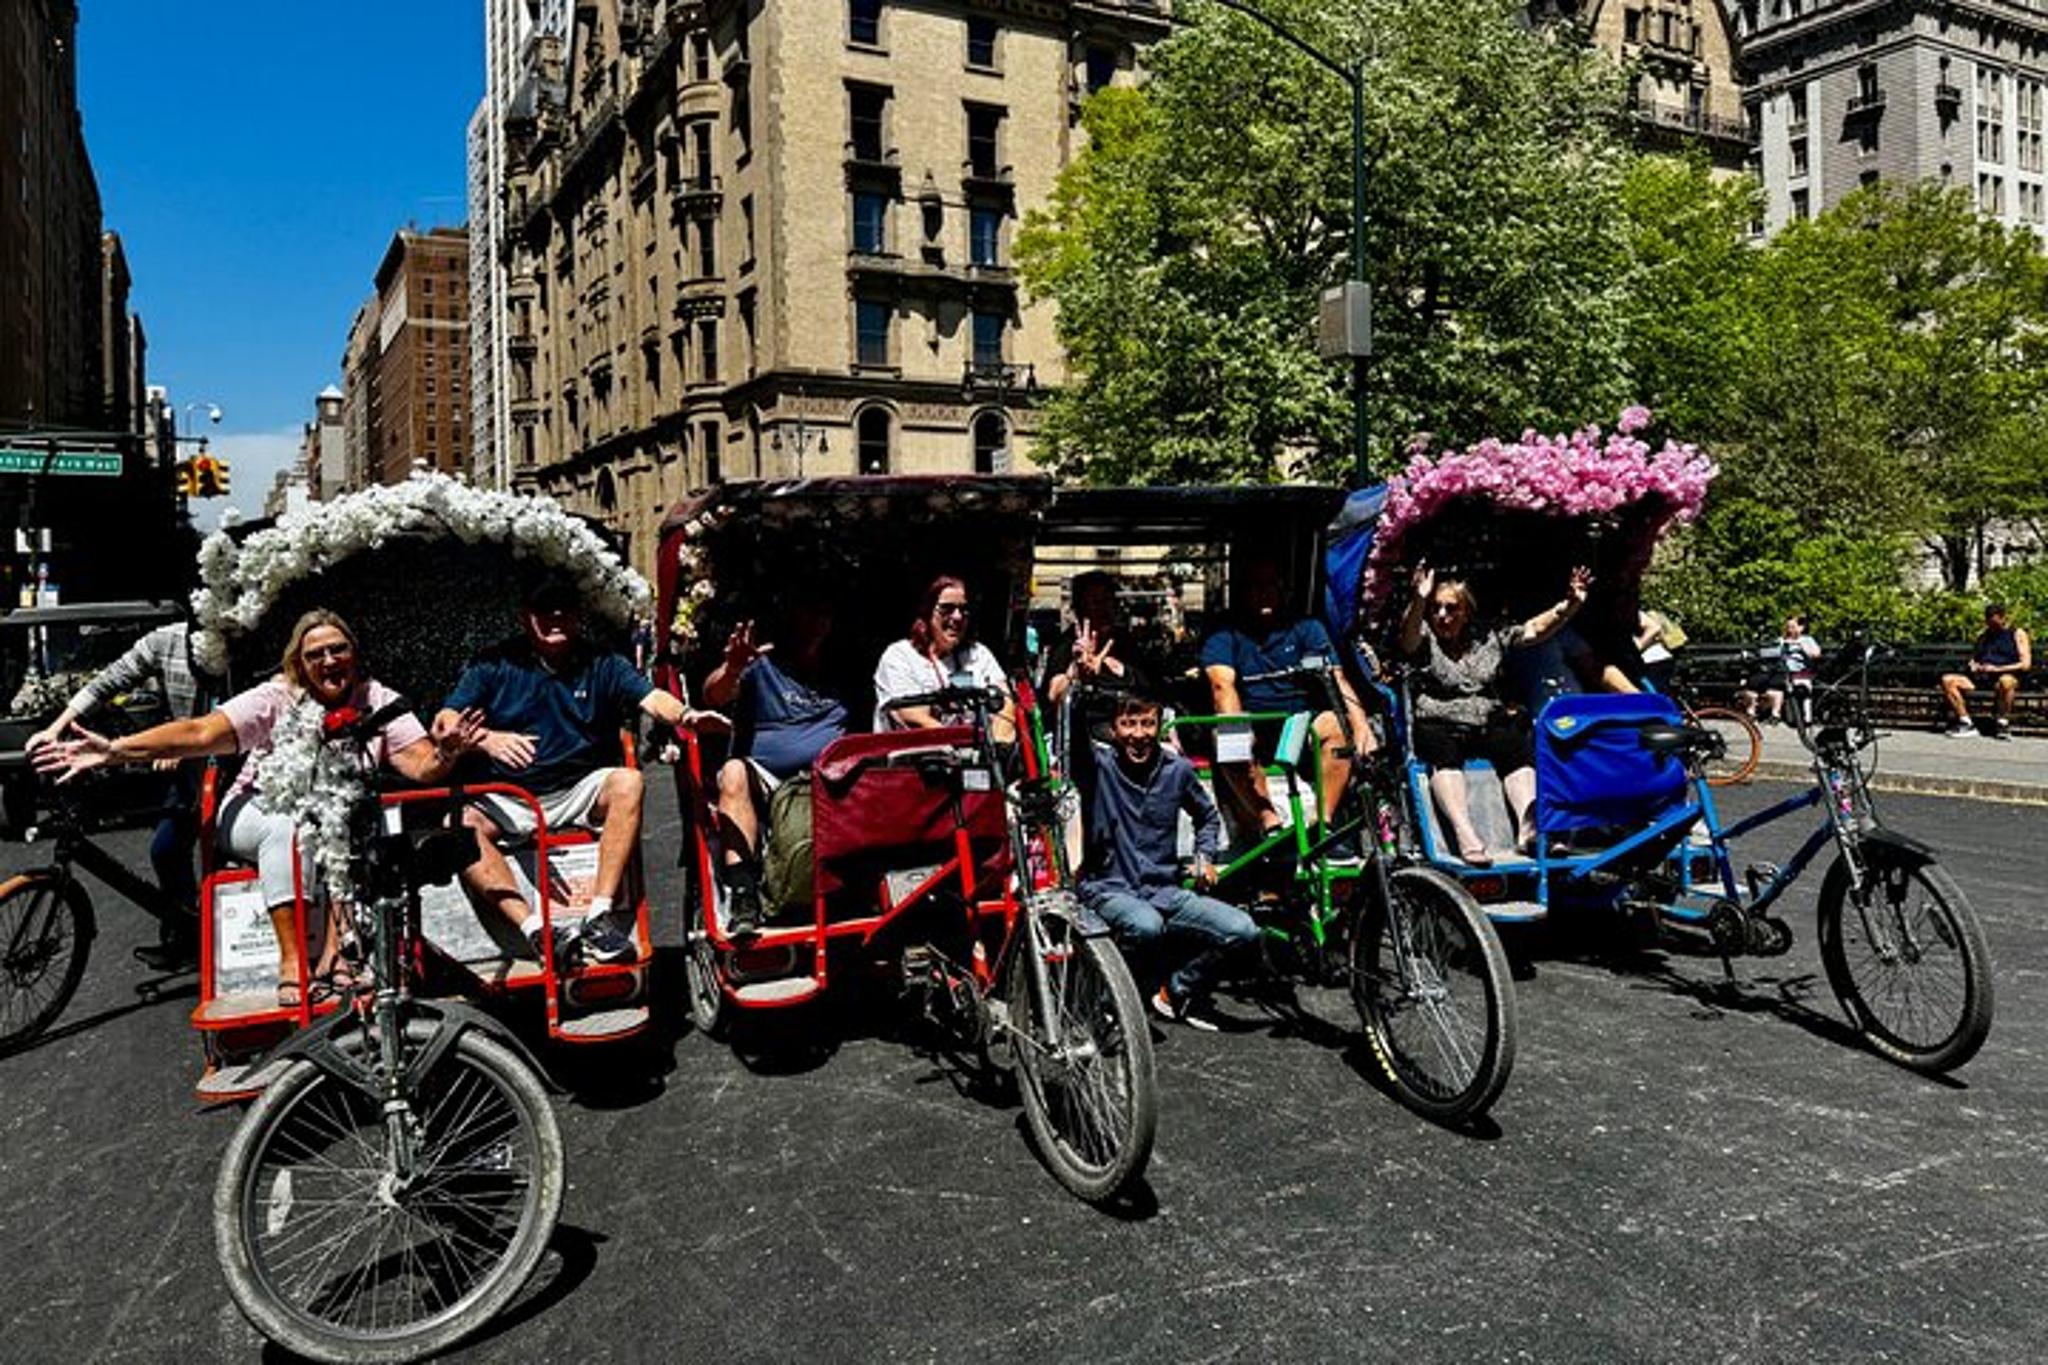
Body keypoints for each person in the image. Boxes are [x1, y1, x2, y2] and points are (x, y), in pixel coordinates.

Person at [37, 610, 479, 1006]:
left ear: (353, 655)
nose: (329, 661)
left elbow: (422, 766)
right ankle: (294, 963)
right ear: (299, 664)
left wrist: (448, 753)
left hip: (338, 818)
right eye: (316, 654)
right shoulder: (275, 698)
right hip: (259, 809)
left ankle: (342, 954)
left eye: (338, 650)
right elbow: (198, 733)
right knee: (295, 827)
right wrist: (115, 751)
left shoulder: (377, 700)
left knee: (353, 820)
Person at [436, 579, 724, 965]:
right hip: (510, 796)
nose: (555, 617)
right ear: (526, 617)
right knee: (460, 823)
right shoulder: (495, 663)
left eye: (564, 608)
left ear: (577, 615)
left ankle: (599, 916)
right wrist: (484, 738)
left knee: (628, 781)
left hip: (576, 788)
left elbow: (652, 699)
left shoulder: (602, 662)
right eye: (544, 609)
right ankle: (536, 930)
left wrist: (688, 715)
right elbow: (445, 721)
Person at [26, 619, 222, 970]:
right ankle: (186, 936)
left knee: (222, 855)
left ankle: (227, 939)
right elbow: (109, 681)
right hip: (190, 767)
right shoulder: (166, 641)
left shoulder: (243, 639)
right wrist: (54, 729)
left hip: (234, 761)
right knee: (166, 851)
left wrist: (180, 746)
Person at [1076, 690, 1256, 1031]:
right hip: (1110, 886)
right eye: (1129, 724)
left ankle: (1176, 992)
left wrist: (1205, 857)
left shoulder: (1178, 770)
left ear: (1160, 726)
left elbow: (1207, 817)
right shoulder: (1098, 768)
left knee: (1242, 930)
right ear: (1114, 730)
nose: (1139, 733)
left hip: (1164, 889)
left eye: (1148, 723)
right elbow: (1073, 740)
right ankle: (1104, 1004)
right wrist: (1080, 690)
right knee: (1145, 925)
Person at [1399, 561, 1592, 865]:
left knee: (1516, 743)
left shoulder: (1488, 635)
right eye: (1436, 608)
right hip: (1439, 720)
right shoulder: (1424, 635)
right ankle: (1465, 833)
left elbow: (1533, 631)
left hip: (1484, 719)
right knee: (1442, 750)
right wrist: (1419, 599)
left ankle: (1530, 829)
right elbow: (1408, 639)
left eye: (1451, 609)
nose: (1442, 616)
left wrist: (1568, 605)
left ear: (1465, 611)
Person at [1199, 553, 1374, 842]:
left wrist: (1362, 727)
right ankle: (1267, 819)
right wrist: (1237, 727)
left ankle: (1323, 823)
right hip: (1253, 721)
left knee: (1334, 725)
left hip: (1297, 724)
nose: (1263, 592)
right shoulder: (1224, 631)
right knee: (1228, 737)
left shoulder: (1306, 627)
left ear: (1282, 589)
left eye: (1269, 584)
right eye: (1255, 585)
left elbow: (1336, 678)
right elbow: (1222, 686)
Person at [701, 600, 850, 935]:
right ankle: (743, 894)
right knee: (734, 772)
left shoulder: (842, 664)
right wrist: (732, 668)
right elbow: (713, 695)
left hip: (830, 776)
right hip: (768, 776)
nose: (816, 622)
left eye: (822, 614)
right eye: (808, 613)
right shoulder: (761, 662)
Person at [872, 574, 1015, 738]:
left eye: (963, 610)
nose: (957, 617)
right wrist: (959, 748)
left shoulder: (978, 654)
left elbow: (1005, 704)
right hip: (914, 759)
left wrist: (999, 745)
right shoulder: (899, 656)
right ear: (927, 612)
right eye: (947, 609)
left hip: (975, 760)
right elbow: (914, 718)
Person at [1940, 603, 2032, 740]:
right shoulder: (1984, 636)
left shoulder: (2017, 634)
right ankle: (1966, 723)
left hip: (2004, 677)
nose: (1992, 627)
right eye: (1989, 623)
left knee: (2006, 681)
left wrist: (1997, 669)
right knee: (1947, 680)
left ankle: (2003, 723)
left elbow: (2025, 664)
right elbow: (1974, 658)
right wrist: (1974, 665)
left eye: (1995, 623)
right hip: (1981, 677)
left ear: (2003, 618)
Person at [1738, 615, 1819, 725]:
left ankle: (1776, 714)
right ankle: (1753, 713)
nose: (1789, 629)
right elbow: (1768, 653)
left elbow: (1815, 654)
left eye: (1792, 627)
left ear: (1801, 628)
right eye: (1788, 627)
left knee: (1779, 684)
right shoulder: (1781, 640)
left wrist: (1800, 646)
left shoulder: (1807, 640)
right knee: (1754, 682)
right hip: (1776, 671)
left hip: (1797, 673)